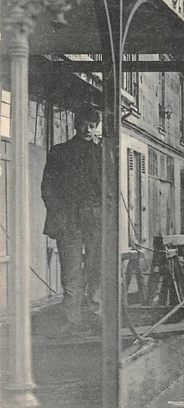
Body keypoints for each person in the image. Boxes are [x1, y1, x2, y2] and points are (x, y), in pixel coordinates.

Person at [41, 104, 102, 335]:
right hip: (68, 219)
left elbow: (110, 189)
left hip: (95, 219)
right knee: (71, 269)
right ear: (76, 126)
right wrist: (59, 211)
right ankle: (71, 318)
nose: (88, 129)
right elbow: (47, 187)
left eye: (92, 126)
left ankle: (95, 315)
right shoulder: (60, 152)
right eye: (84, 125)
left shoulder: (101, 154)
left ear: (96, 128)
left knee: (97, 267)